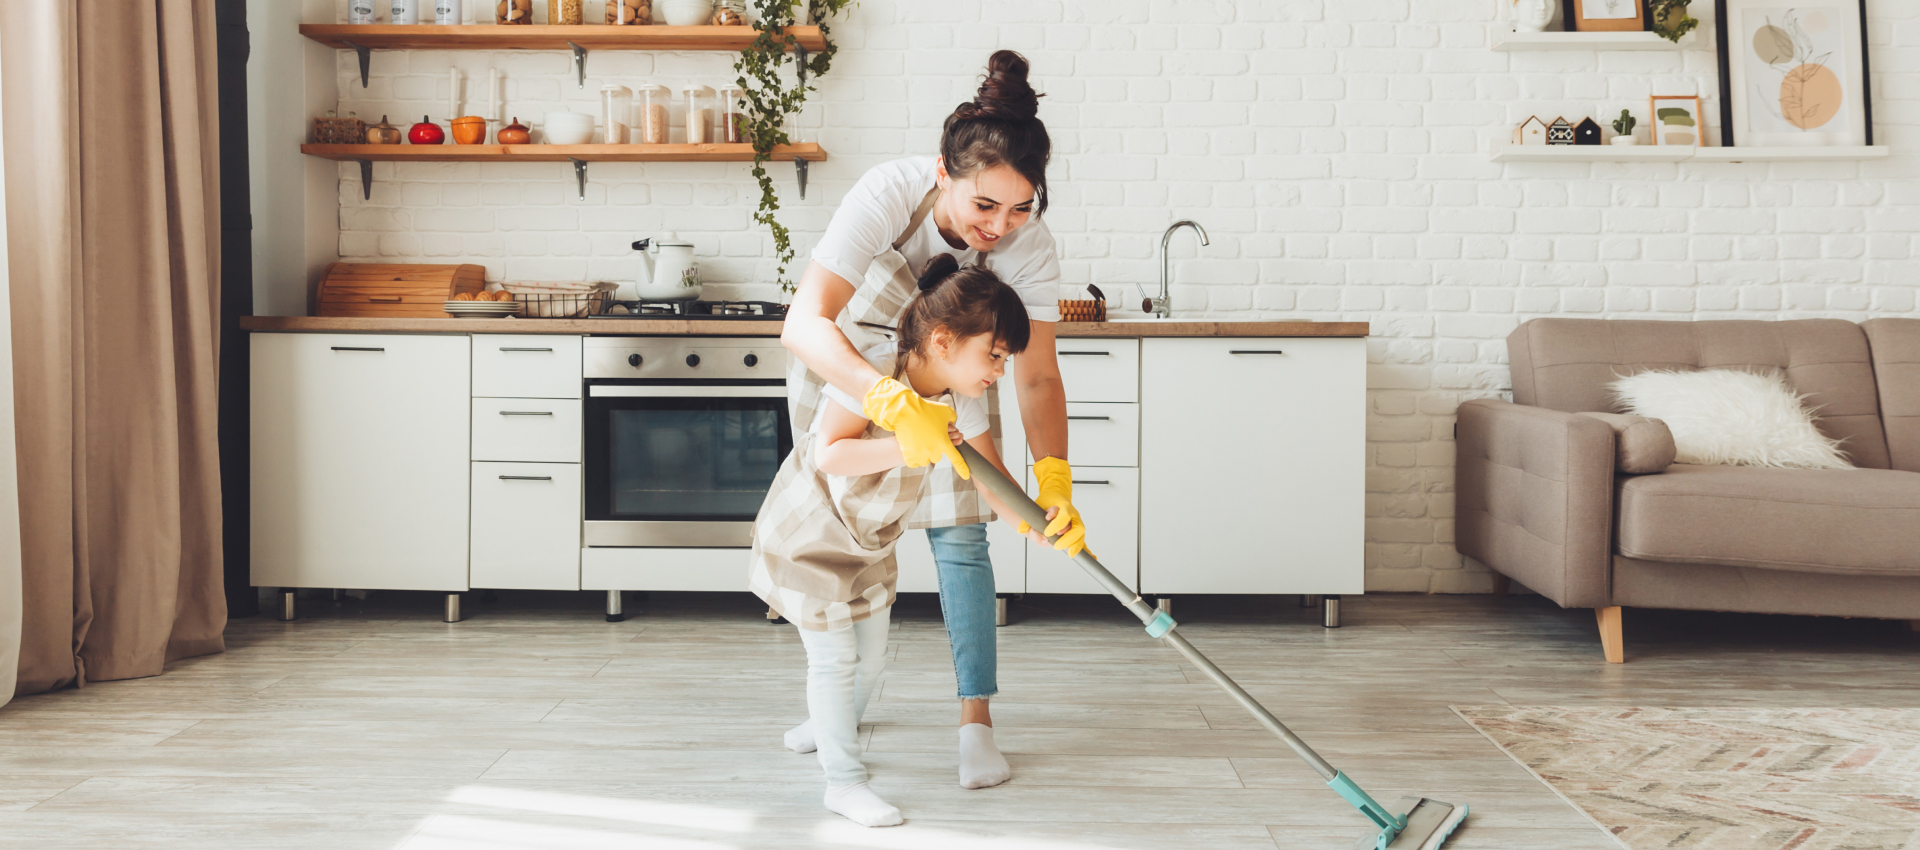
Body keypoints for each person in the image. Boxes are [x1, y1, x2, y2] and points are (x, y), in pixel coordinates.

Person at [779, 48, 1088, 792]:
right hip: (853, 368)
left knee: (964, 540)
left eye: (1021, 207)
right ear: (944, 175)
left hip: (955, 377)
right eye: (984, 206)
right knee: (844, 533)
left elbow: (1037, 372)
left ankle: (975, 724)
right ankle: (838, 706)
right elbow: (805, 321)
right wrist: (885, 401)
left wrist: (1050, 480)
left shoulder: (1029, 247)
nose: (1001, 227)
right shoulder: (890, 191)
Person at [751, 257, 1057, 827]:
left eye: (1005, 360)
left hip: (866, 546)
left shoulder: (958, 399)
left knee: (868, 664)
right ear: (943, 340)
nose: (999, 371)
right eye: (994, 355)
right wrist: (906, 444)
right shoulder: (873, 373)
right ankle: (843, 783)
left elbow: (989, 477)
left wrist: (1039, 521)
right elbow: (830, 454)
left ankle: (828, 721)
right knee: (838, 660)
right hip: (812, 536)